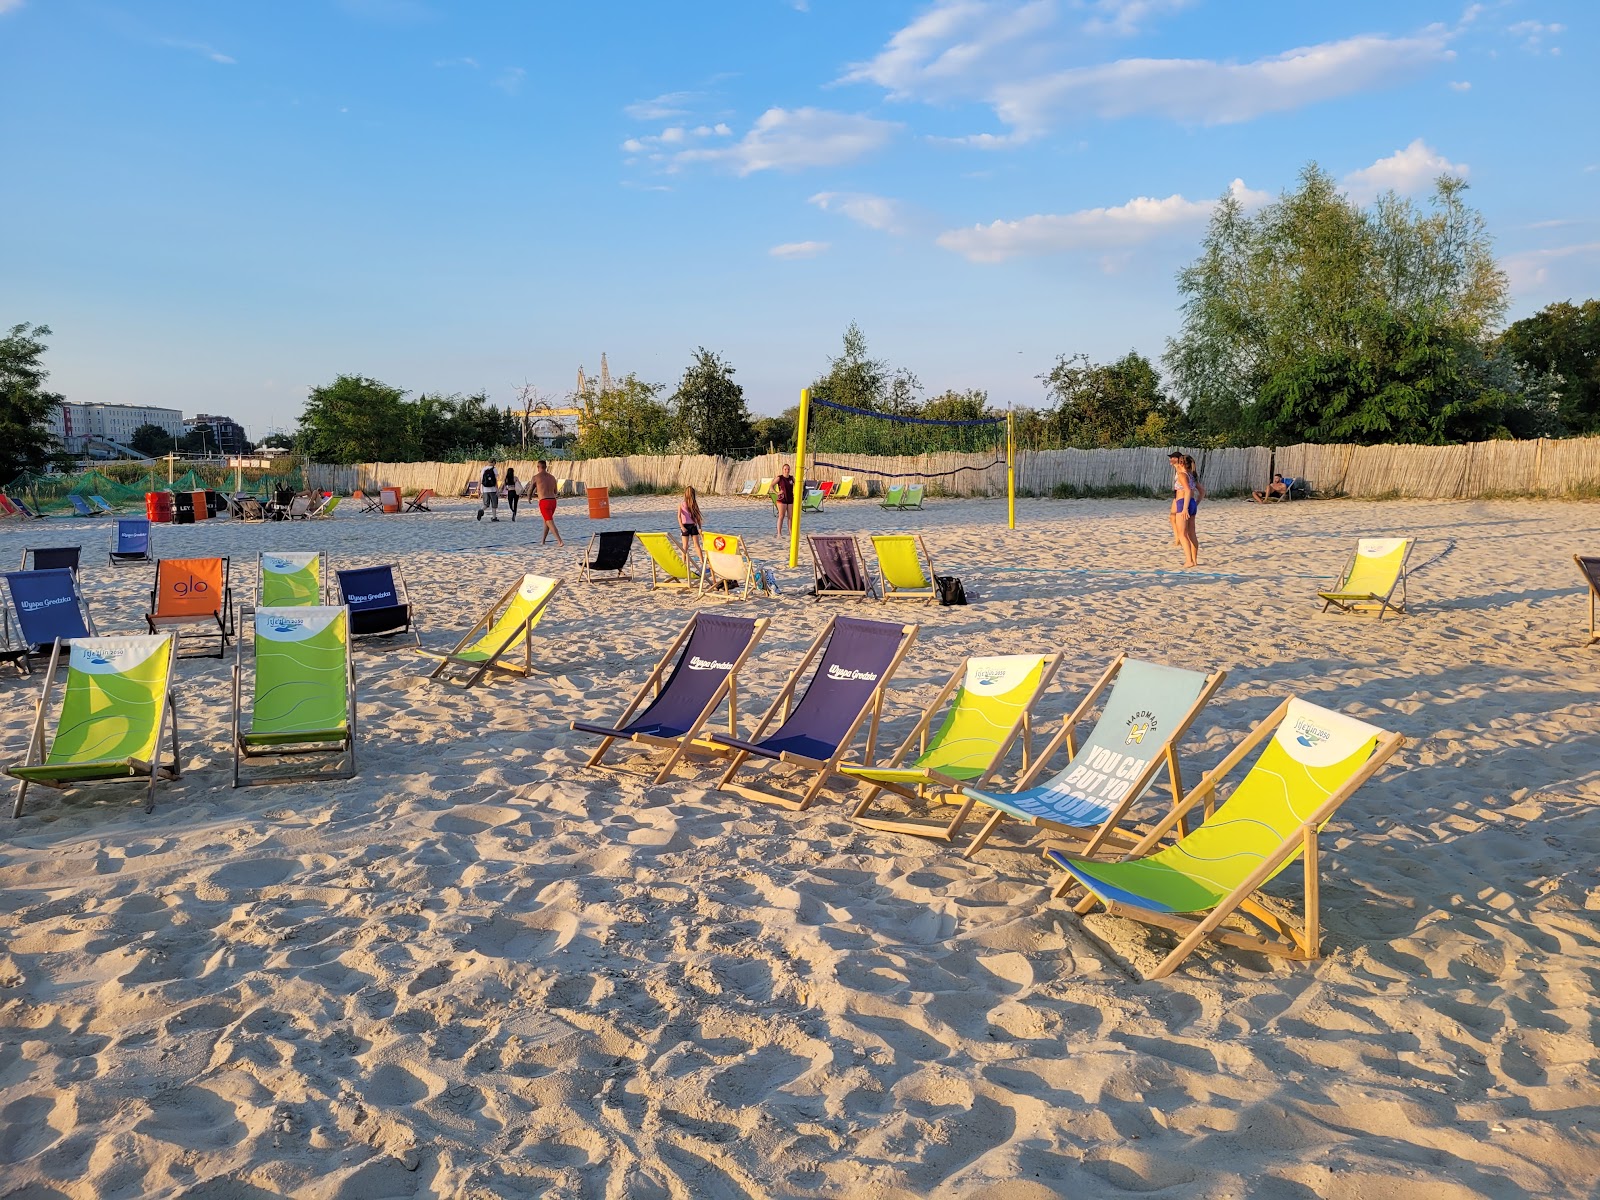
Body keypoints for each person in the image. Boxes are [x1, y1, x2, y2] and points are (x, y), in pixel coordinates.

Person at [1169, 450, 1198, 568]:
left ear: (1181, 463)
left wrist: (1185, 508)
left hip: (1183, 503)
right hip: (1191, 503)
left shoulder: (1182, 475)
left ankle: (1189, 560)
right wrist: (1196, 503)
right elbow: (1201, 491)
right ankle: (1194, 560)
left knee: (1182, 534)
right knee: (1191, 533)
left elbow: (1187, 490)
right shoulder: (1192, 475)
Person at [533, 460, 563, 547]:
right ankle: (543, 540)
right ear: (546, 467)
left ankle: (559, 541)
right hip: (553, 501)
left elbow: (530, 489)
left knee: (549, 521)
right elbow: (555, 491)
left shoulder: (536, 477)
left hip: (544, 501)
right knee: (546, 521)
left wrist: (529, 498)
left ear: (538, 467)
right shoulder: (552, 477)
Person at [678, 485, 704, 570]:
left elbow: (697, 517)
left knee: (687, 546)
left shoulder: (690, 504)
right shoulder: (683, 504)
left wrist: (699, 527)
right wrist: (682, 526)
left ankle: (685, 563)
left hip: (690, 526)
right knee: (691, 546)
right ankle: (700, 562)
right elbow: (698, 518)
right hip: (690, 526)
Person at [774, 463, 794, 539]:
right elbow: (771, 486)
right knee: (781, 516)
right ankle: (779, 533)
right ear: (783, 470)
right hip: (782, 499)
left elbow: (799, 484)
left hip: (790, 499)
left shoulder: (792, 478)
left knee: (790, 517)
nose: (787, 470)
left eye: (788, 469)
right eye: (785, 469)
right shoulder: (780, 478)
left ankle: (791, 532)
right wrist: (777, 492)